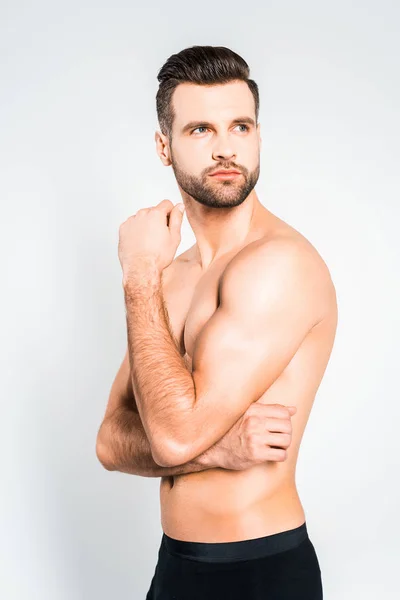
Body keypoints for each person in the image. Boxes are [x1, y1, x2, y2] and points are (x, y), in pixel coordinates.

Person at [96, 45, 337, 599]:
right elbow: (110, 441)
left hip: (258, 570)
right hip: (176, 565)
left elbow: (174, 437)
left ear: (257, 134)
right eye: (201, 130)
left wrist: (136, 275)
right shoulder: (172, 275)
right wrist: (221, 450)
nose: (226, 148)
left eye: (240, 126)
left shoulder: (277, 266)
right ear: (165, 146)